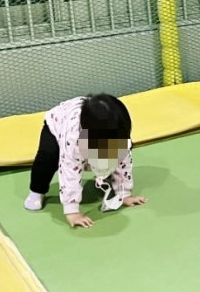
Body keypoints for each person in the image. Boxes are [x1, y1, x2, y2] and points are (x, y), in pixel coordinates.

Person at [23, 93, 147, 228]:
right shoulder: (73, 139)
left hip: (93, 134)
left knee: (114, 156)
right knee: (47, 158)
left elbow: (124, 164)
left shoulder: (120, 138)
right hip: (56, 125)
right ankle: (37, 190)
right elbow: (69, 172)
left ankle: (108, 173)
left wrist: (124, 194)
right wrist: (72, 211)